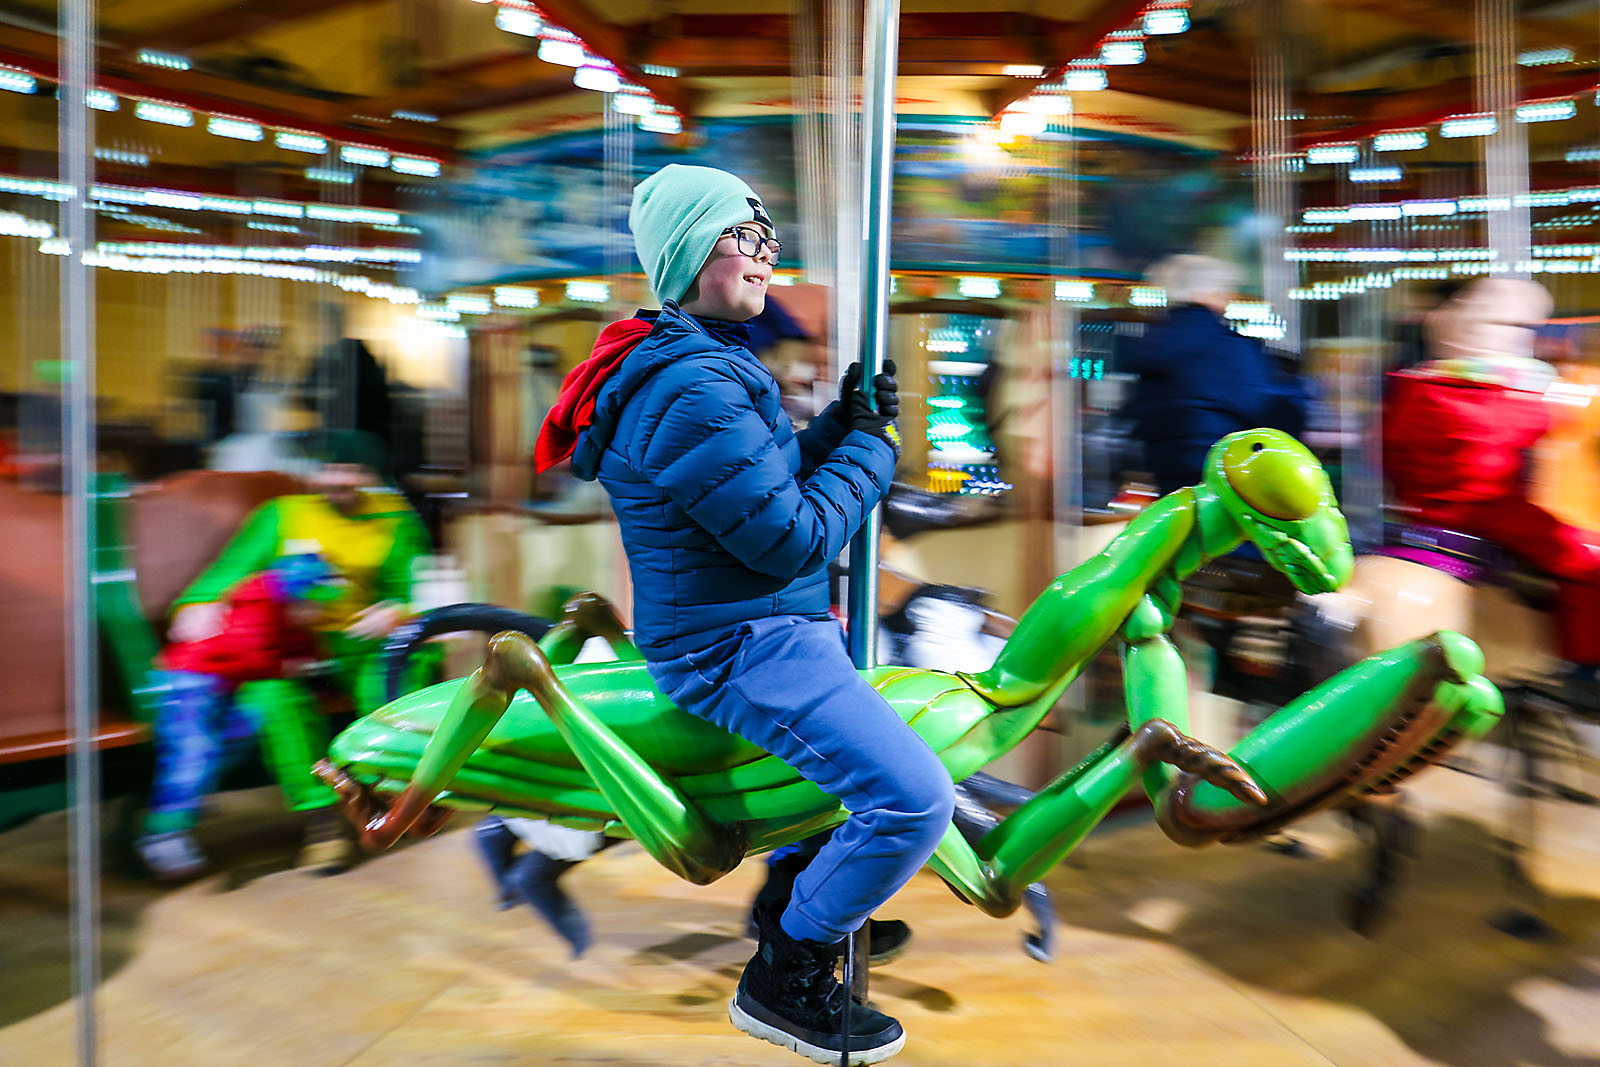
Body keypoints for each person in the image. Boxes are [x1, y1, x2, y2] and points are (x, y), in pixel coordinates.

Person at [534, 163, 950, 1064]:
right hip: (738, 640)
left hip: (767, 623)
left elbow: (754, 487)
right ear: (689, 253)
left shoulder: (703, 365)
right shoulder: (690, 385)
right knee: (915, 798)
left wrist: (839, 426)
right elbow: (790, 537)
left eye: (769, 239)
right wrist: (873, 457)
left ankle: (802, 899)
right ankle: (785, 973)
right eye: (744, 238)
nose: (766, 257)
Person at [136, 431, 430, 878]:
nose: (341, 478)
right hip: (285, 645)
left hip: (357, 642)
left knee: (391, 682)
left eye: (354, 469)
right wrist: (197, 606)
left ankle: (393, 795)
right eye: (331, 467)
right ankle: (322, 819)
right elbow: (225, 578)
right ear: (314, 471)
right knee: (270, 700)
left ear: (372, 476)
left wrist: (395, 613)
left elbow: (412, 595)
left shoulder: (396, 522)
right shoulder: (282, 515)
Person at [1384, 277, 1600, 687]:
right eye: (1519, 330)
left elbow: (1390, 454)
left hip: (1420, 516)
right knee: (1589, 563)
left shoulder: (1415, 383)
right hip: (1489, 512)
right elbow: (1539, 442)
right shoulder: (1509, 391)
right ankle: (1584, 666)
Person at [1120, 254, 1313, 495]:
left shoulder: (1152, 346)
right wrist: (1300, 391)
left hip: (1169, 479)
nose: (1228, 296)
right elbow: (1269, 410)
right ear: (1204, 293)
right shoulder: (1227, 347)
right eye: (1223, 289)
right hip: (1223, 477)